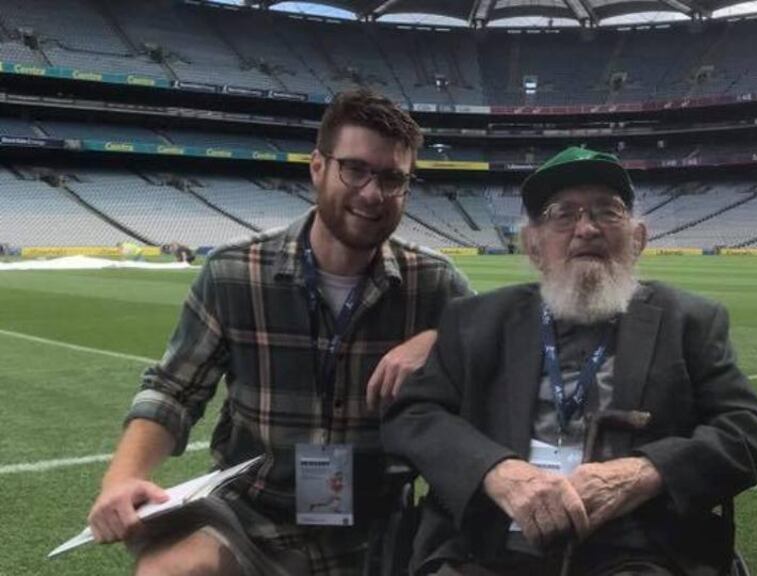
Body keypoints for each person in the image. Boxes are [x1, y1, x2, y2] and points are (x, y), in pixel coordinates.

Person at [88, 89, 472, 576]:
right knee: (167, 572)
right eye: (355, 169)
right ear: (318, 168)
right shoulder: (234, 272)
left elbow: (501, 356)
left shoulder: (435, 285)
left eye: (392, 178)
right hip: (253, 515)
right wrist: (122, 478)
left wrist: (443, 339)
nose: (373, 193)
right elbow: (173, 392)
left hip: (381, 524)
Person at [383, 146, 757, 576]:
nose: (587, 229)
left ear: (637, 239)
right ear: (533, 245)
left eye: (608, 212)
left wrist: (645, 471)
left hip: (639, 553)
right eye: (563, 214)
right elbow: (412, 415)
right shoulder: (475, 319)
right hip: (487, 550)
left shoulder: (689, 320)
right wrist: (495, 470)